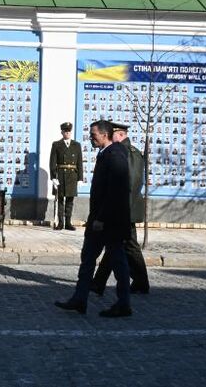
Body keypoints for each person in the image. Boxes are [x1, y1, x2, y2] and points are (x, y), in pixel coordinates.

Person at [54, 120, 132, 318]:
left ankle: (124, 303)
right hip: (98, 220)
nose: (91, 137)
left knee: (118, 262)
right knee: (88, 258)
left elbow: (115, 192)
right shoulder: (106, 154)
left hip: (109, 222)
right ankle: (80, 299)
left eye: (94, 134)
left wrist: (102, 218)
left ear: (105, 135)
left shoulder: (115, 156)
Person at [91, 122, 150, 295]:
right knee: (115, 245)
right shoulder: (122, 151)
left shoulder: (128, 152)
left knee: (129, 246)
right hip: (122, 209)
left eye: (112, 133)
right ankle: (99, 282)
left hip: (125, 210)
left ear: (120, 134)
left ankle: (141, 282)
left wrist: (120, 210)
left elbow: (129, 184)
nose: (109, 136)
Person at [49, 121, 83, 230]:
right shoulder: (56, 144)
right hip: (60, 175)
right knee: (60, 200)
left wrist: (80, 178)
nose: (67, 133)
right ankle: (60, 223)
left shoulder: (76, 145)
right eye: (65, 131)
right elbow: (52, 162)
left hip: (72, 175)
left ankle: (68, 222)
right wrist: (53, 177)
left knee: (70, 200)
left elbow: (79, 163)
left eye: (69, 131)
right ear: (62, 132)